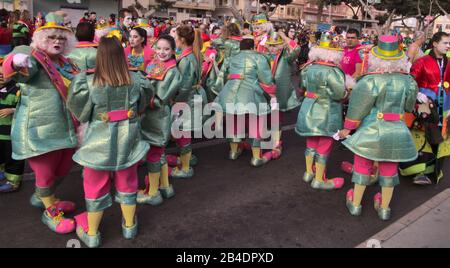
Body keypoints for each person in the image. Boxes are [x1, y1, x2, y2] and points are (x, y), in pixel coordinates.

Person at [68, 36, 150, 248]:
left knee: (94, 185)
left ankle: (93, 234)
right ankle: (129, 226)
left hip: (97, 142)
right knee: (128, 181)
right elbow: (143, 104)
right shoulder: (137, 78)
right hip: (128, 140)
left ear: (99, 56)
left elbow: (81, 113)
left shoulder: (87, 81)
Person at [2, 13, 79, 233]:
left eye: (62, 38)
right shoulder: (34, 58)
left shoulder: (67, 62)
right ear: (41, 39)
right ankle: (50, 212)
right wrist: (16, 62)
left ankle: (45, 197)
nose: (57, 41)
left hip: (66, 127)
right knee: (45, 172)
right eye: (52, 37)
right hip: (40, 129)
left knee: (64, 167)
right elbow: (18, 66)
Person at [340, 35, 418, 221]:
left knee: (362, 166)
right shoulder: (409, 81)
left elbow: (357, 109)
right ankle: (384, 208)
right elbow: (408, 107)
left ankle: (356, 204)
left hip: (371, 130)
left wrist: (347, 129)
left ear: (375, 58)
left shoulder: (369, 81)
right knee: (390, 169)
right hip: (397, 131)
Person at [213, 36, 276, 167]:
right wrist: (271, 91)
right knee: (255, 124)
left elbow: (223, 75)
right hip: (250, 94)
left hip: (229, 92)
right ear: (253, 47)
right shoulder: (259, 57)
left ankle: (233, 152)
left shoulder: (232, 57)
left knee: (234, 121)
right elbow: (267, 79)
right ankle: (256, 157)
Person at [295, 33, 347, 190]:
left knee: (311, 143)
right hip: (327, 112)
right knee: (324, 145)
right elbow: (339, 94)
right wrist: (347, 93)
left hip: (309, 109)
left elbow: (302, 87)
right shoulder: (334, 71)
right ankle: (319, 179)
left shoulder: (308, 68)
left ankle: (308, 172)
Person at [400, 32, 450, 185]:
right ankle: (418, 172)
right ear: (434, 44)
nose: (448, 46)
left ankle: (433, 171)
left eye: (449, 43)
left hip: (446, 105)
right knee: (423, 134)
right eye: (445, 43)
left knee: (442, 136)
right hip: (425, 104)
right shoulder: (422, 61)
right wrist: (418, 93)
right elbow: (410, 81)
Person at [138, 35, 182, 205]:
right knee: (159, 153)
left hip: (158, 115)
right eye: (159, 48)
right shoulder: (153, 65)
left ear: (173, 51)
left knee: (155, 153)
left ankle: (153, 192)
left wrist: (139, 98)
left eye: (166, 49)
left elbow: (160, 98)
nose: (162, 52)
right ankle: (165, 186)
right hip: (149, 115)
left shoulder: (172, 71)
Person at [169, 25, 207, 178]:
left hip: (188, 98)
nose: (174, 39)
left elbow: (184, 88)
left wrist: (176, 102)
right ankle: (188, 157)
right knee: (185, 131)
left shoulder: (186, 60)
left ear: (182, 40)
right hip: (194, 95)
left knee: (183, 131)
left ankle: (185, 167)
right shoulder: (192, 54)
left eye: (176, 36)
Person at [263, 30, 302, 160]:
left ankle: (276, 144)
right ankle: (259, 141)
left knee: (276, 119)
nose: (272, 48)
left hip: (279, 93)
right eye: (270, 45)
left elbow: (297, 49)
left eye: (275, 46)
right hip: (265, 92)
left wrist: (284, 37)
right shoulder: (264, 56)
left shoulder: (286, 56)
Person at [0, 58, 25, 193]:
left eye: (3, 74)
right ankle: (3, 174)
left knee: (13, 158)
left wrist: (12, 110)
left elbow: (26, 107)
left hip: (12, 133)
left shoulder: (18, 89)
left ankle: (14, 182)